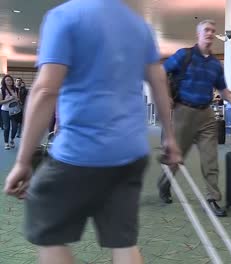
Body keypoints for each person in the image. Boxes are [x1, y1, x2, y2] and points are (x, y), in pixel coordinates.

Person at [3, 1, 181, 264]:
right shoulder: (139, 26)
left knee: (45, 221)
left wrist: (22, 161)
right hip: (131, 153)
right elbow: (159, 84)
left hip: (80, 154)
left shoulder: (63, 16)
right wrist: (170, 138)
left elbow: (45, 90)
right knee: (123, 242)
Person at [159, 19, 231, 217]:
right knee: (176, 158)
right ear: (198, 34)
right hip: (184, 112)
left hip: (206, 114)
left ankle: (212, 198)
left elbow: (221, 88)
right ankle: (164, 183)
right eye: (206, 30)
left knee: (210, 158)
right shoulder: (184, 55)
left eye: (213, 30)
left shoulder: (215, 64)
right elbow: (161, 72)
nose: (210, 33)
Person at [1, 74, 20, 149]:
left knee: (15, 127)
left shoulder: (16, 89)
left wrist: (18, 100)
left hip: (15, 110)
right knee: (7, 127)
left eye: (10, 80)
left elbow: (18, 98)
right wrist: (10, 99)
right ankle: (6, 143)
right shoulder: (2, 89)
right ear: (4, 82)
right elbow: (0, 102)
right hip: (5, 111)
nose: (9, 81)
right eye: (7, 80)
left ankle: (12, 139)